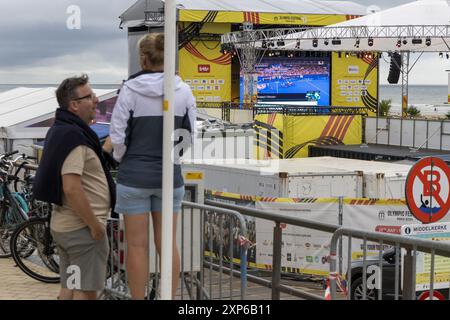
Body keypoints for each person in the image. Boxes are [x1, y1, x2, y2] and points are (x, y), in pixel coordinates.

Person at [110, 32, 196, 300]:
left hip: (134, 177)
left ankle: (138, 297)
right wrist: (173, 158)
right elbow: (189, 136)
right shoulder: (182, 90)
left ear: (143, 59)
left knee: (136, 245)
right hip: (169, 179)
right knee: (167, 243)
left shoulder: (130, 90)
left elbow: (117, 137)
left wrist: (126, 158)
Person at [33, 75, 116, 300]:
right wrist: (95, 227)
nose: (96, 100)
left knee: (70, 285)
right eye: (89, 96)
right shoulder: (74, 137)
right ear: (74, 105)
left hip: (66, 229)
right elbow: (71, 187)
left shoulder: (61, 130)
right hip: (82, 232)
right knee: (86, 292)